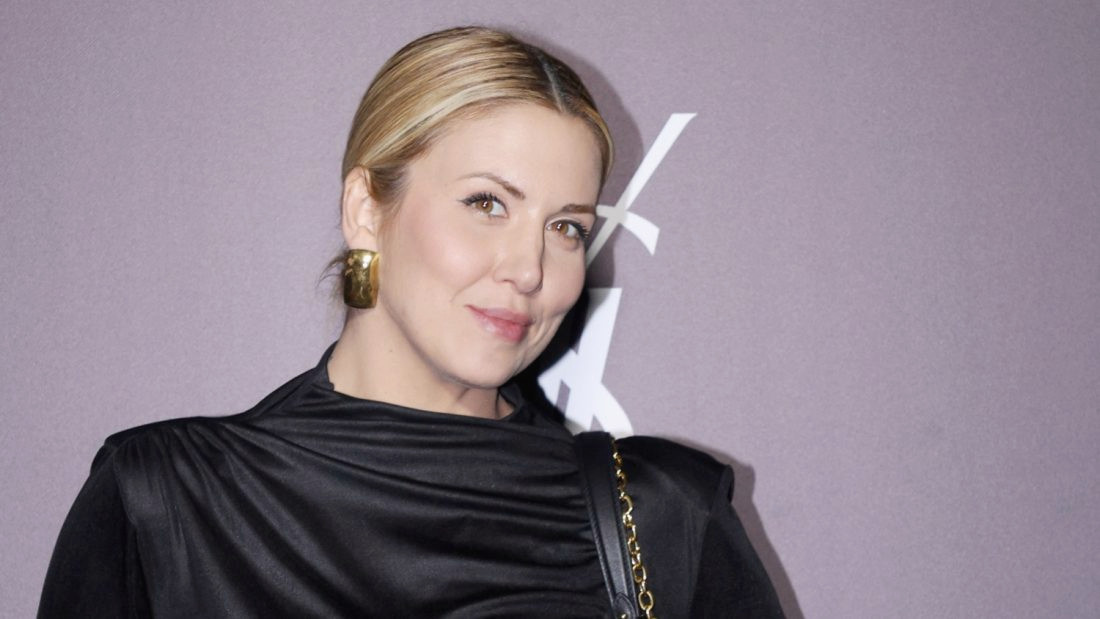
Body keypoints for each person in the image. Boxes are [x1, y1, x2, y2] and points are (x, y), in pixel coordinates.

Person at [38, 27, 784, 618]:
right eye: (487, 203)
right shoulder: (164, 503)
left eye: (566, 228)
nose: (529, 269)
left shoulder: (663, 515)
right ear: (366, 209)